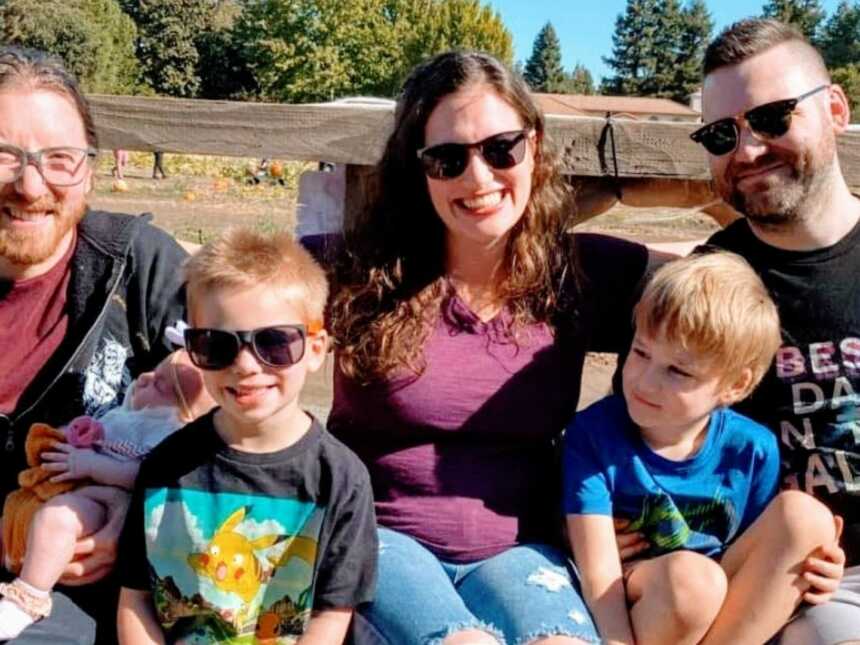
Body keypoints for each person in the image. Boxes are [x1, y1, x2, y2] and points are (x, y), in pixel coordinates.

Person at [326, 51, 653, 645]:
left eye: (502, 149)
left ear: (535, 144)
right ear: (416, 169)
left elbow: (726, 296)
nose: (478, 179)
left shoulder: (580, 273)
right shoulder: (361, 271)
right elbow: (239, 285)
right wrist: (177, 371)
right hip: (381, 536)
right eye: (448, 159)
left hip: (521, 547)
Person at [672, 18, 860, 644]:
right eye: (723, 133)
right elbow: (641, 475)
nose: (747, 150)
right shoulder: (706, 290)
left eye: (775, 117)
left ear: (835, 108)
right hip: (791, 586)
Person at [0, 46, 187, 644]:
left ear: (90, 167)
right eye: (3, 156)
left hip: (89, 589)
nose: (30, 186)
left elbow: (236, 417)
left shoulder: (140, 266)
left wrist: (136, 521)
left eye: (59, 159)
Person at [564, 251, 839, 645]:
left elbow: (754, 555)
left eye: (677, 370)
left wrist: (815, 563)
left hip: (717, 602)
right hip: (634, 595)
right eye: (640, 352)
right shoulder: (593, 435)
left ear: (736, 386)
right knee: (693, 585)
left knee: (808, 517)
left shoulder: (753, 448)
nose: (645, 382)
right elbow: (599, 578)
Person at [117, 229, 377, 644]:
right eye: (216, 345)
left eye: (274, 343)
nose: (245, 365)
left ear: (315, 349)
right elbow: (135, 601)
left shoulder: (340, 478)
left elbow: (333, 615)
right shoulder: (167, 465)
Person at [0, 350, 216, 640]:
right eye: (152, 372)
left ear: (184, 414)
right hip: (62, 492)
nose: (144, 378)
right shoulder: (129, 415)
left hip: (98, 505)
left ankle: (28, 597)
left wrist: (90, 464)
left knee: (60, 518)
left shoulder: (166, 434)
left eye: (160, 385)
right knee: (18, 520)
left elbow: (139, 475)